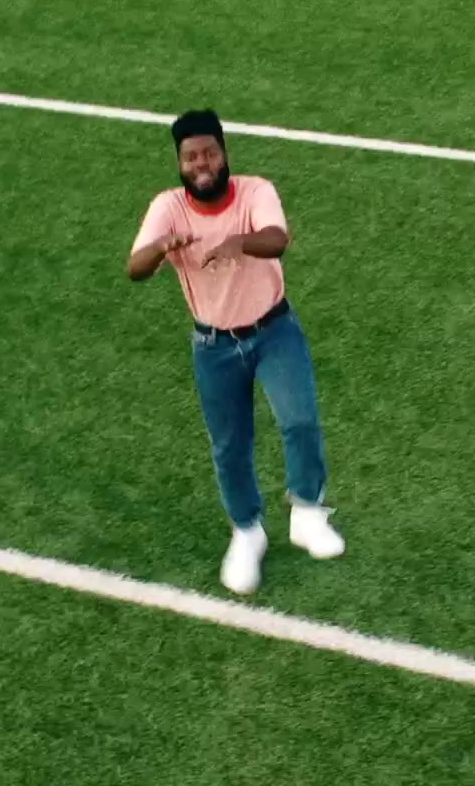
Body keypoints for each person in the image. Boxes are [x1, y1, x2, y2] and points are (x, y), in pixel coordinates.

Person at [127, 109, 344, 595]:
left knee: (300, 421)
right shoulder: (167, 207)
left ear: (224, 154)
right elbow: (134, 268)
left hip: (274, 330)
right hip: (214, 345)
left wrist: (237, 243)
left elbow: (277, 240)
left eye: (209, 153)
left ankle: (307, 511)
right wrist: (162, 246)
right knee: (230, 447)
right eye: (190, 157)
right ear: (180, 163)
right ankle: (247, 532)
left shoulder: (255, 191)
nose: (201, 164)